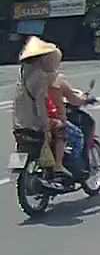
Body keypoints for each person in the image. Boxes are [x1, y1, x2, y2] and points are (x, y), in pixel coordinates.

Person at [9, 37, 69, 183]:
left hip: (19, 123)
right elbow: (40, 105)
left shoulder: (23, 73)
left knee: (21, 145)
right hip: (33, 122)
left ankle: (17, 167)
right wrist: (46, 126)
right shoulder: (40, 76)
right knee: (61, 127)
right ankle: (58, 165)